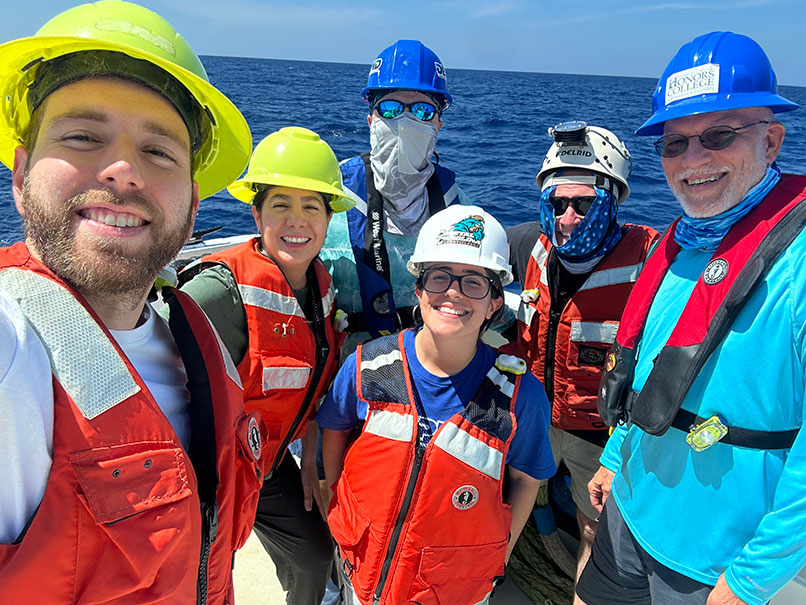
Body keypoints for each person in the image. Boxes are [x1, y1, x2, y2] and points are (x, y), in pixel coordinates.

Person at [0, 2, 265, 603]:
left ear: (194, 205)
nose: (122, 170)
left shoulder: (189, 332)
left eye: (159, 152)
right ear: (20, 174)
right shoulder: (11, 347)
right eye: (84, 137)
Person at [578, 32, 805, 605]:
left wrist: (750, 582)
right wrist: (611, 458)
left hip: (718, 559)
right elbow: (649, 363)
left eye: (719, 136)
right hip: (631, 507)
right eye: (674, 144)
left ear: (772, 140)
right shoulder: (678, 243)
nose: (693, 160)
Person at [318, 205, 556, 605]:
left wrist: (498, 552)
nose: (454, 293)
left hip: (453, 591)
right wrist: (337, 507)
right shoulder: (367, 367)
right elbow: (335, 432)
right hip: (360, 576)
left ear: (495, 303)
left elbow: (526, 481)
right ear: (419, 289)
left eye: (474, 283)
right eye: (440, 277)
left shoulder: (520, 397)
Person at [174, 127, 354, 604]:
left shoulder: (321, 286)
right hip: (208, 475)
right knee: (202, 580)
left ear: (328, 218)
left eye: (311, 207)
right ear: (256, 213)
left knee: (315, 556)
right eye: (280, 205)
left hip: (268, 467)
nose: (297, 221)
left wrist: (312, 462)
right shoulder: (221, 291)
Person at [505, 122, 658, 586]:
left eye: (583, 204)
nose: (568, 218)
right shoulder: (530, 246)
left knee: (594, 528)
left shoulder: (652, 258)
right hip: (533, 415)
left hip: (601, 433)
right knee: (511, 496)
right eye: (558, 203)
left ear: (612, 199)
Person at [319, 39, 471, 351]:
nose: (405, 121)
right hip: (345, 376)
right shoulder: (330, 194)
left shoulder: (457, 207)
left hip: (429, 372)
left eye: (422, 111)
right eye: (389, 108)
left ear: (438, 124)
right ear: (371, 120)